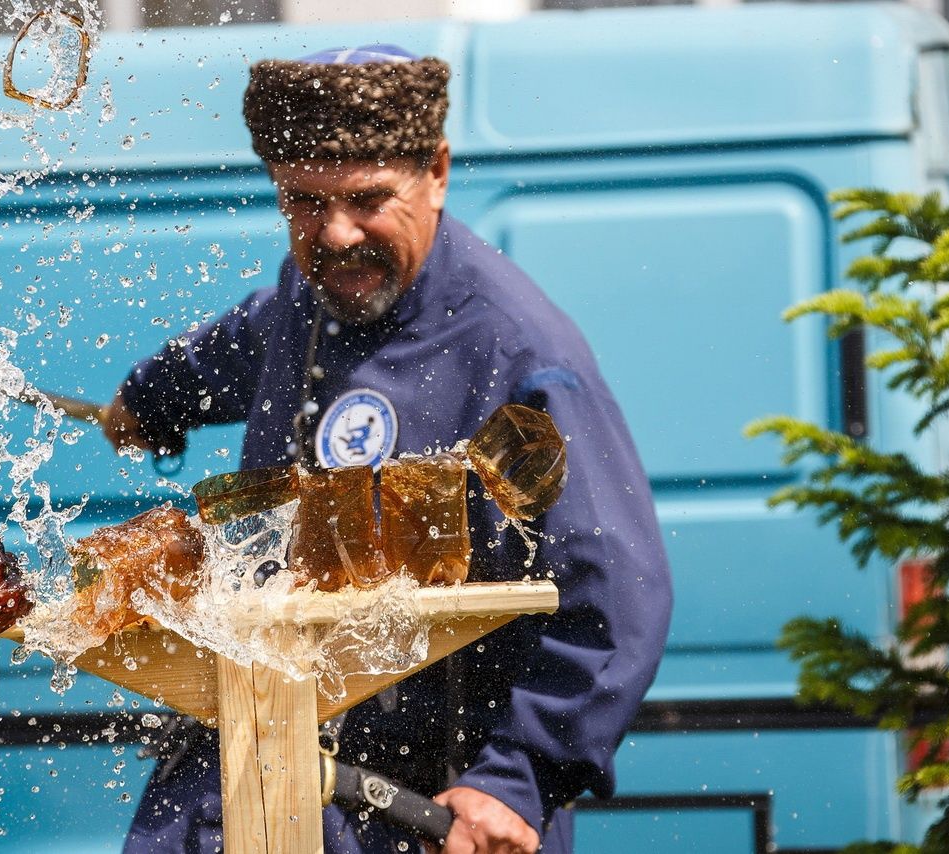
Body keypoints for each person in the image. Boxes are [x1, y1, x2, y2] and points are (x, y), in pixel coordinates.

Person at [105, 44, 672, 854]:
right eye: (303, 202)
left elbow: (616, 592)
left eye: (367, 199)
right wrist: (150, 398)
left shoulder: (523, 359)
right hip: (249, 787)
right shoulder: (314, 294)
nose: (335, 235)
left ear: (436, 173)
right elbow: (244, 337)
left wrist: (516, 780)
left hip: (424, 816)